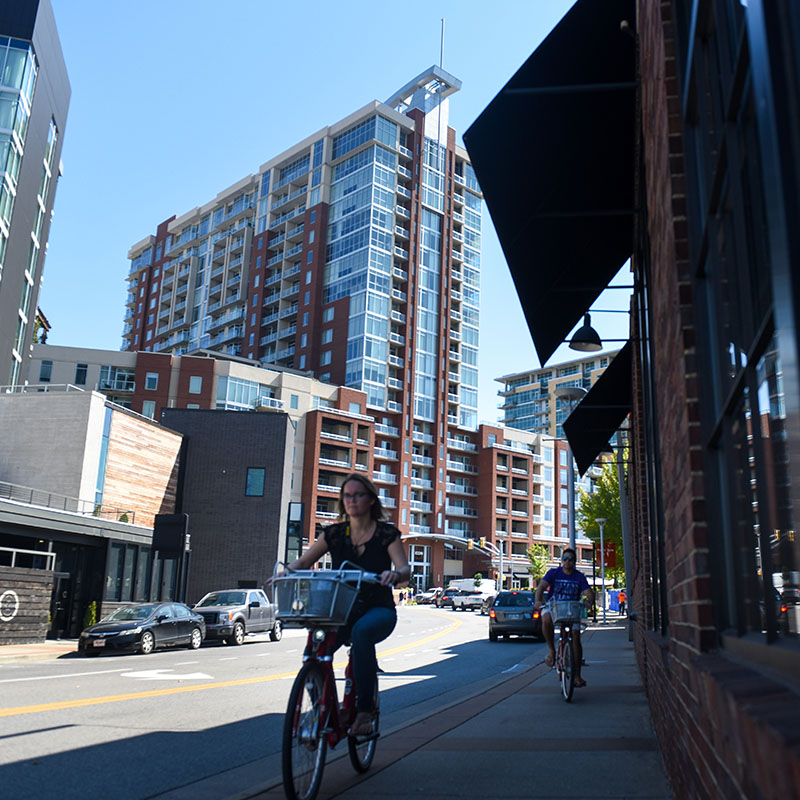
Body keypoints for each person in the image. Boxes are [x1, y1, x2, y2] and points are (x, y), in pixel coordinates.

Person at [286, 473, 410, 737]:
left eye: (358, 495)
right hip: (341, 611)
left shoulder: (386, 534)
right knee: (314, 649)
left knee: (362, 633)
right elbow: (303, 562)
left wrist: (395, 575)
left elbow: (404, 568)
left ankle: (364, 713)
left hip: (378, 609)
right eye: (347, 495)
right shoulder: (333, 534)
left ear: (371, 499)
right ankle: (320, 703)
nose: (352, 500)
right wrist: (284, 572)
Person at [534, 548, 594, 688]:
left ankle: (577, 675)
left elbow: (588, 592)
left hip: (571, 609)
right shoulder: (553, 573)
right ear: (561, 561)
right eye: (565, 559)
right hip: (554, 606)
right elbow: (541, 587)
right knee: (546, 619)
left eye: (570, 559)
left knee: (575, 637)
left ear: (574, 562)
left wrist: (589, 602)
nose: (567, 562)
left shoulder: (579, 576)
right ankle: (551, 650)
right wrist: (538, 601)